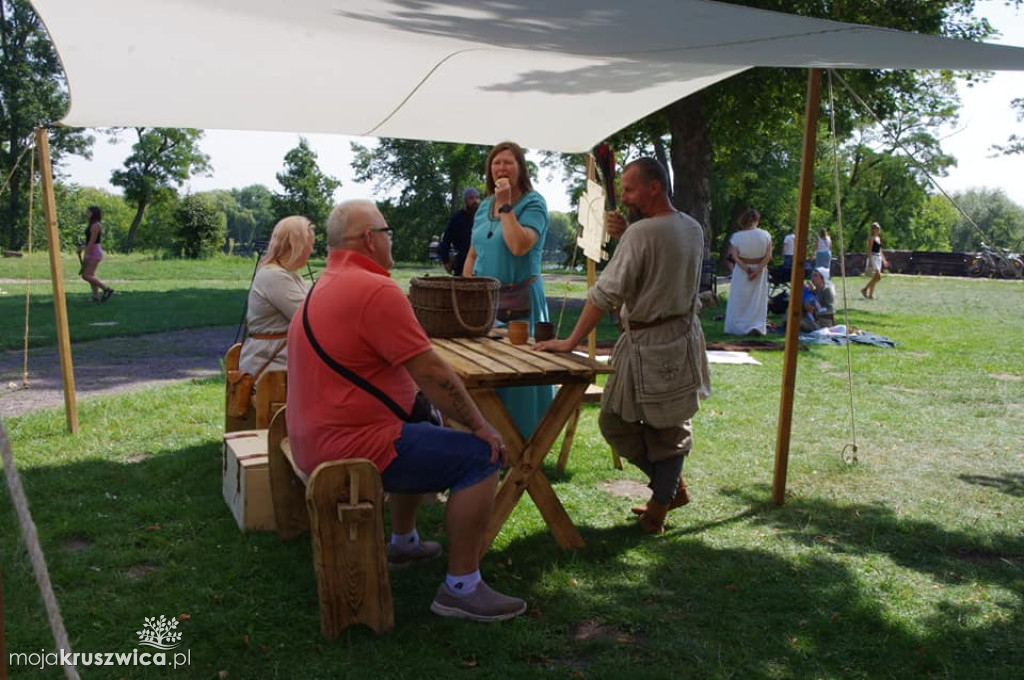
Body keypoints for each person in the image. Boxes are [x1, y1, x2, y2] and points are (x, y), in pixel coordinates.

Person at [286, 199, 526, 622]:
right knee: (481, 457)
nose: (390, 239)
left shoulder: (325, 283)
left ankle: (404, 542)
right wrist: (483, 428)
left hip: (317, 437)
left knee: (417, 423)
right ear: (369, 239)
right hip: (348, 445)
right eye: (387, 231)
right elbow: (433, 373)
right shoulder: (374, 289)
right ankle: (461, 588)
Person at [533, 158, 710, 535]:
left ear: (655, 187)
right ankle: (669, 488)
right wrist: (628, 233)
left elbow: (606, 293)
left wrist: (569, 341)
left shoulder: (644, 233)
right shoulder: (691, 227)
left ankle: (659, 508)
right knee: (621, 422)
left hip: (656, 344)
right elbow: (653, 264)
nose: (624, 196)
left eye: (630, 189)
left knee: (668, 430)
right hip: (674, 338)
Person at [462, 141, 553, 439]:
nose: (501, 168)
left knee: (519, 375)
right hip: (486, 303)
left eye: (509, 162)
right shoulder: (484, 205)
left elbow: (517, 245)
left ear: (521, 168)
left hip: (521, 301)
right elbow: (473, 254)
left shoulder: (534, 203)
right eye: (496, 162)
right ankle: (488, 439)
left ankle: (523, 443)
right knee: (484, 370)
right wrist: (467, 291)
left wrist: (505, 205)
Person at [238, 216, 315, 375]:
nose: (311, 251)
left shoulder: (290, 276)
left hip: (279, 363)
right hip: (272, 367)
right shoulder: (275, 276)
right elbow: (310, 319)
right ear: (297, 246)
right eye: (310, 245)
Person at [723, 208, 772, 336]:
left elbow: (734, 256)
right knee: (757, 299)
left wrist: (747, 269)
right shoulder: (766, 235)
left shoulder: (737, 237)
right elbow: (768, 256)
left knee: (739, 298)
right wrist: (757, 269)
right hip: (759, 270)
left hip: (742, 270)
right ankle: (756, 325)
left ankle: (738, 326)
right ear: (757, 220)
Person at [439, 188, 480, 276]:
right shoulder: (457, 218)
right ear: (465, 200)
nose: (475, 201)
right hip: (463, 263)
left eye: (477, 198)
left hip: (481, 263)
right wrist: (446, 260)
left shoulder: (481, 217)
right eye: (471, 198)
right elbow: (446, 241)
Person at [78, 206, 114, 303]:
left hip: (94, 252)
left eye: (88, 212)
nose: (86, 214)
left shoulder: (96, 226)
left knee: (86, 275)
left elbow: (92, 242)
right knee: (91, 275)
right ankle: (95, 297)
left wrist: (85, 252)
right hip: (91, 250)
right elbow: (89, 241)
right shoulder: (91, 224)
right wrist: (82, 247)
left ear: (93, 213)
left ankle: (107, 289)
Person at [801, 267, 835, 331]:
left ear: (823, 278)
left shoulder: (827, 291)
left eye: (815, 276)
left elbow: (830, 309)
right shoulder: (813, 291)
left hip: (824, 322)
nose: (812, 278)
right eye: (812, 276)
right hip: (811, 318)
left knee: (799, 323)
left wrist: (814, 310)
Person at [861, 222, 887, 299]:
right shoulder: (871, 238)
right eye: (877, 228)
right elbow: (869, 251)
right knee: (878, 276)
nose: (878, 230)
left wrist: (884, 260)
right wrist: (870, 262)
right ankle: (865, 289)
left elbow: (880, 250)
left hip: (878, 258)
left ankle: (870, 295)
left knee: (875, 277)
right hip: (873, 257)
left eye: (879, 228)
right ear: (873, 229)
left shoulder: (878, 238)